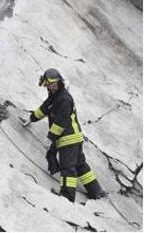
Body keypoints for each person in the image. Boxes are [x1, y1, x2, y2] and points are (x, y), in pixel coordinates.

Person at [22, 68, 108, 202]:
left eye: (53, 84)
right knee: (80, 165)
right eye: (48, 85)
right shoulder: (55, 97)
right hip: (74, 138)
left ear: (59, 82)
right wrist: (31, 118)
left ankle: (67, 196)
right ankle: (96, 191)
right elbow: (44, 109)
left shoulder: (64, 99)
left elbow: (61, 122)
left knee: (67, 168)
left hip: (69, 139)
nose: (50, 87)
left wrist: (50, 138)